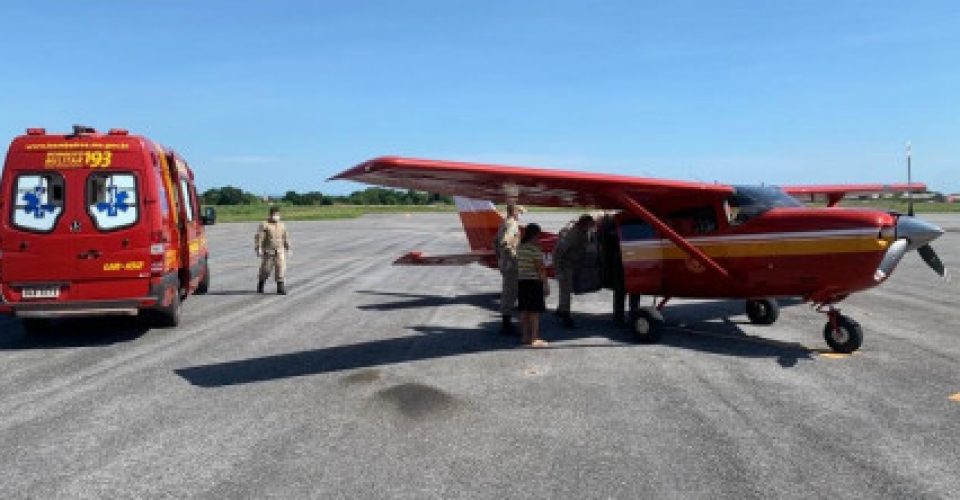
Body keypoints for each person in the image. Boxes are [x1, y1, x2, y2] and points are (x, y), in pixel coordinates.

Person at [552, 214, 595, 327]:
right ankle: (566, 316)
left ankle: (560, 310)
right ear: (584, 223)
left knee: (565, 290)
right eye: (590, 224)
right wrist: (558, 271)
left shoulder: (583, 232)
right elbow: (557, 253)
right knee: (566, 291)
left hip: (573, 264)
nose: (591, 227)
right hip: (566, 265)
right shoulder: (573, 235)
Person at [516, 223, 549, 347]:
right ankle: (534, 338)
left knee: (524, 311)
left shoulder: (520, 247)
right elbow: (540, 268)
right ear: (536, 235)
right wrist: (545, 284)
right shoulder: (534, 249)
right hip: (533, 282)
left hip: (522, 281)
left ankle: (524, 336)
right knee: (534, 312)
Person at [494, 203, 524, 335]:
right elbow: (505, 243)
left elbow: (495, 242)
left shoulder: (504, 223)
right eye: (520, 212)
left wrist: (500, 258)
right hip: (512, 265)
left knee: (508, 292)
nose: (520, 215)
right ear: (515, 212)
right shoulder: (512, 224)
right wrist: (515, 258)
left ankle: (506, 323)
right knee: (510, 293)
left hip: (505, 263)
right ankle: (506, 325)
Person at [254, 206, 291, 295]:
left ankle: (280, 288)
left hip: (279, 251)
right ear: (270, 215)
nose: (277, 216)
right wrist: (258, 248)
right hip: (268, 251)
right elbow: (259, 237)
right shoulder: (265, 225)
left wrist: (288, 248)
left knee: (280, 268)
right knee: (265, 269)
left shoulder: (282, 225)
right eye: (275, 214)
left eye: (278, 214)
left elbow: (285, 237)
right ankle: (261, 284)